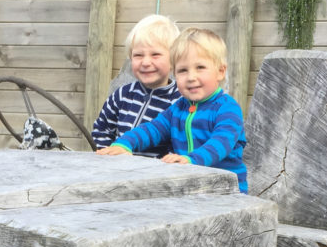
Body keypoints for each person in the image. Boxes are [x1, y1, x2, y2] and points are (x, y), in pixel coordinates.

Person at [96, 27, 247, 193]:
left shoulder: (227, 109)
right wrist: (125, 143)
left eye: (200, 67)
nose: (191, 77)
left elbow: (220, 143)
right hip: (188, 189)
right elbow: (152, 129)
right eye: (183, 70)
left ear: (220, 72)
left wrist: (191, 160)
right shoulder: (178, 108)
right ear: (175, 74)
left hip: (226, 190)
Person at [91, 15, 181, 157]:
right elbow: (102, 129)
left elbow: (179, 145)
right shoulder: (122, 95)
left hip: (157, 170)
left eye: (155, 54)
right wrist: (108, 154)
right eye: (138, 55)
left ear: (173, 60)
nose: (145, 62)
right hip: (117, 166)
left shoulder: (179, 101)